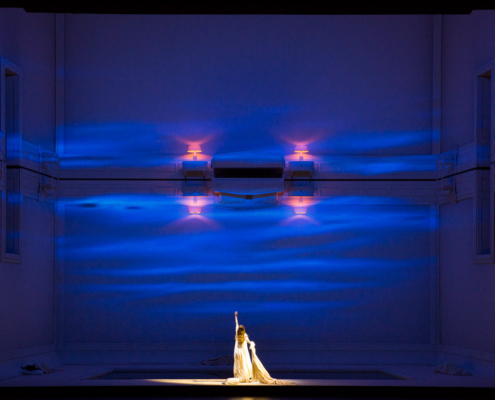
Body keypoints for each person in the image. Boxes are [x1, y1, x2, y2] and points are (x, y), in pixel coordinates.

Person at [225, 311, 295, 385]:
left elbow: (236, 324)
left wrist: (235, 316)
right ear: (243, 330)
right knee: (245, 364)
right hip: (242, 352)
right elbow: (248, 341)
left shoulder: (237, 334)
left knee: (239, 364)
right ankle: (245, 377)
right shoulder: (244, 335)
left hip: (237, 352)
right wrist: (251, 344)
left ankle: (239, 376)